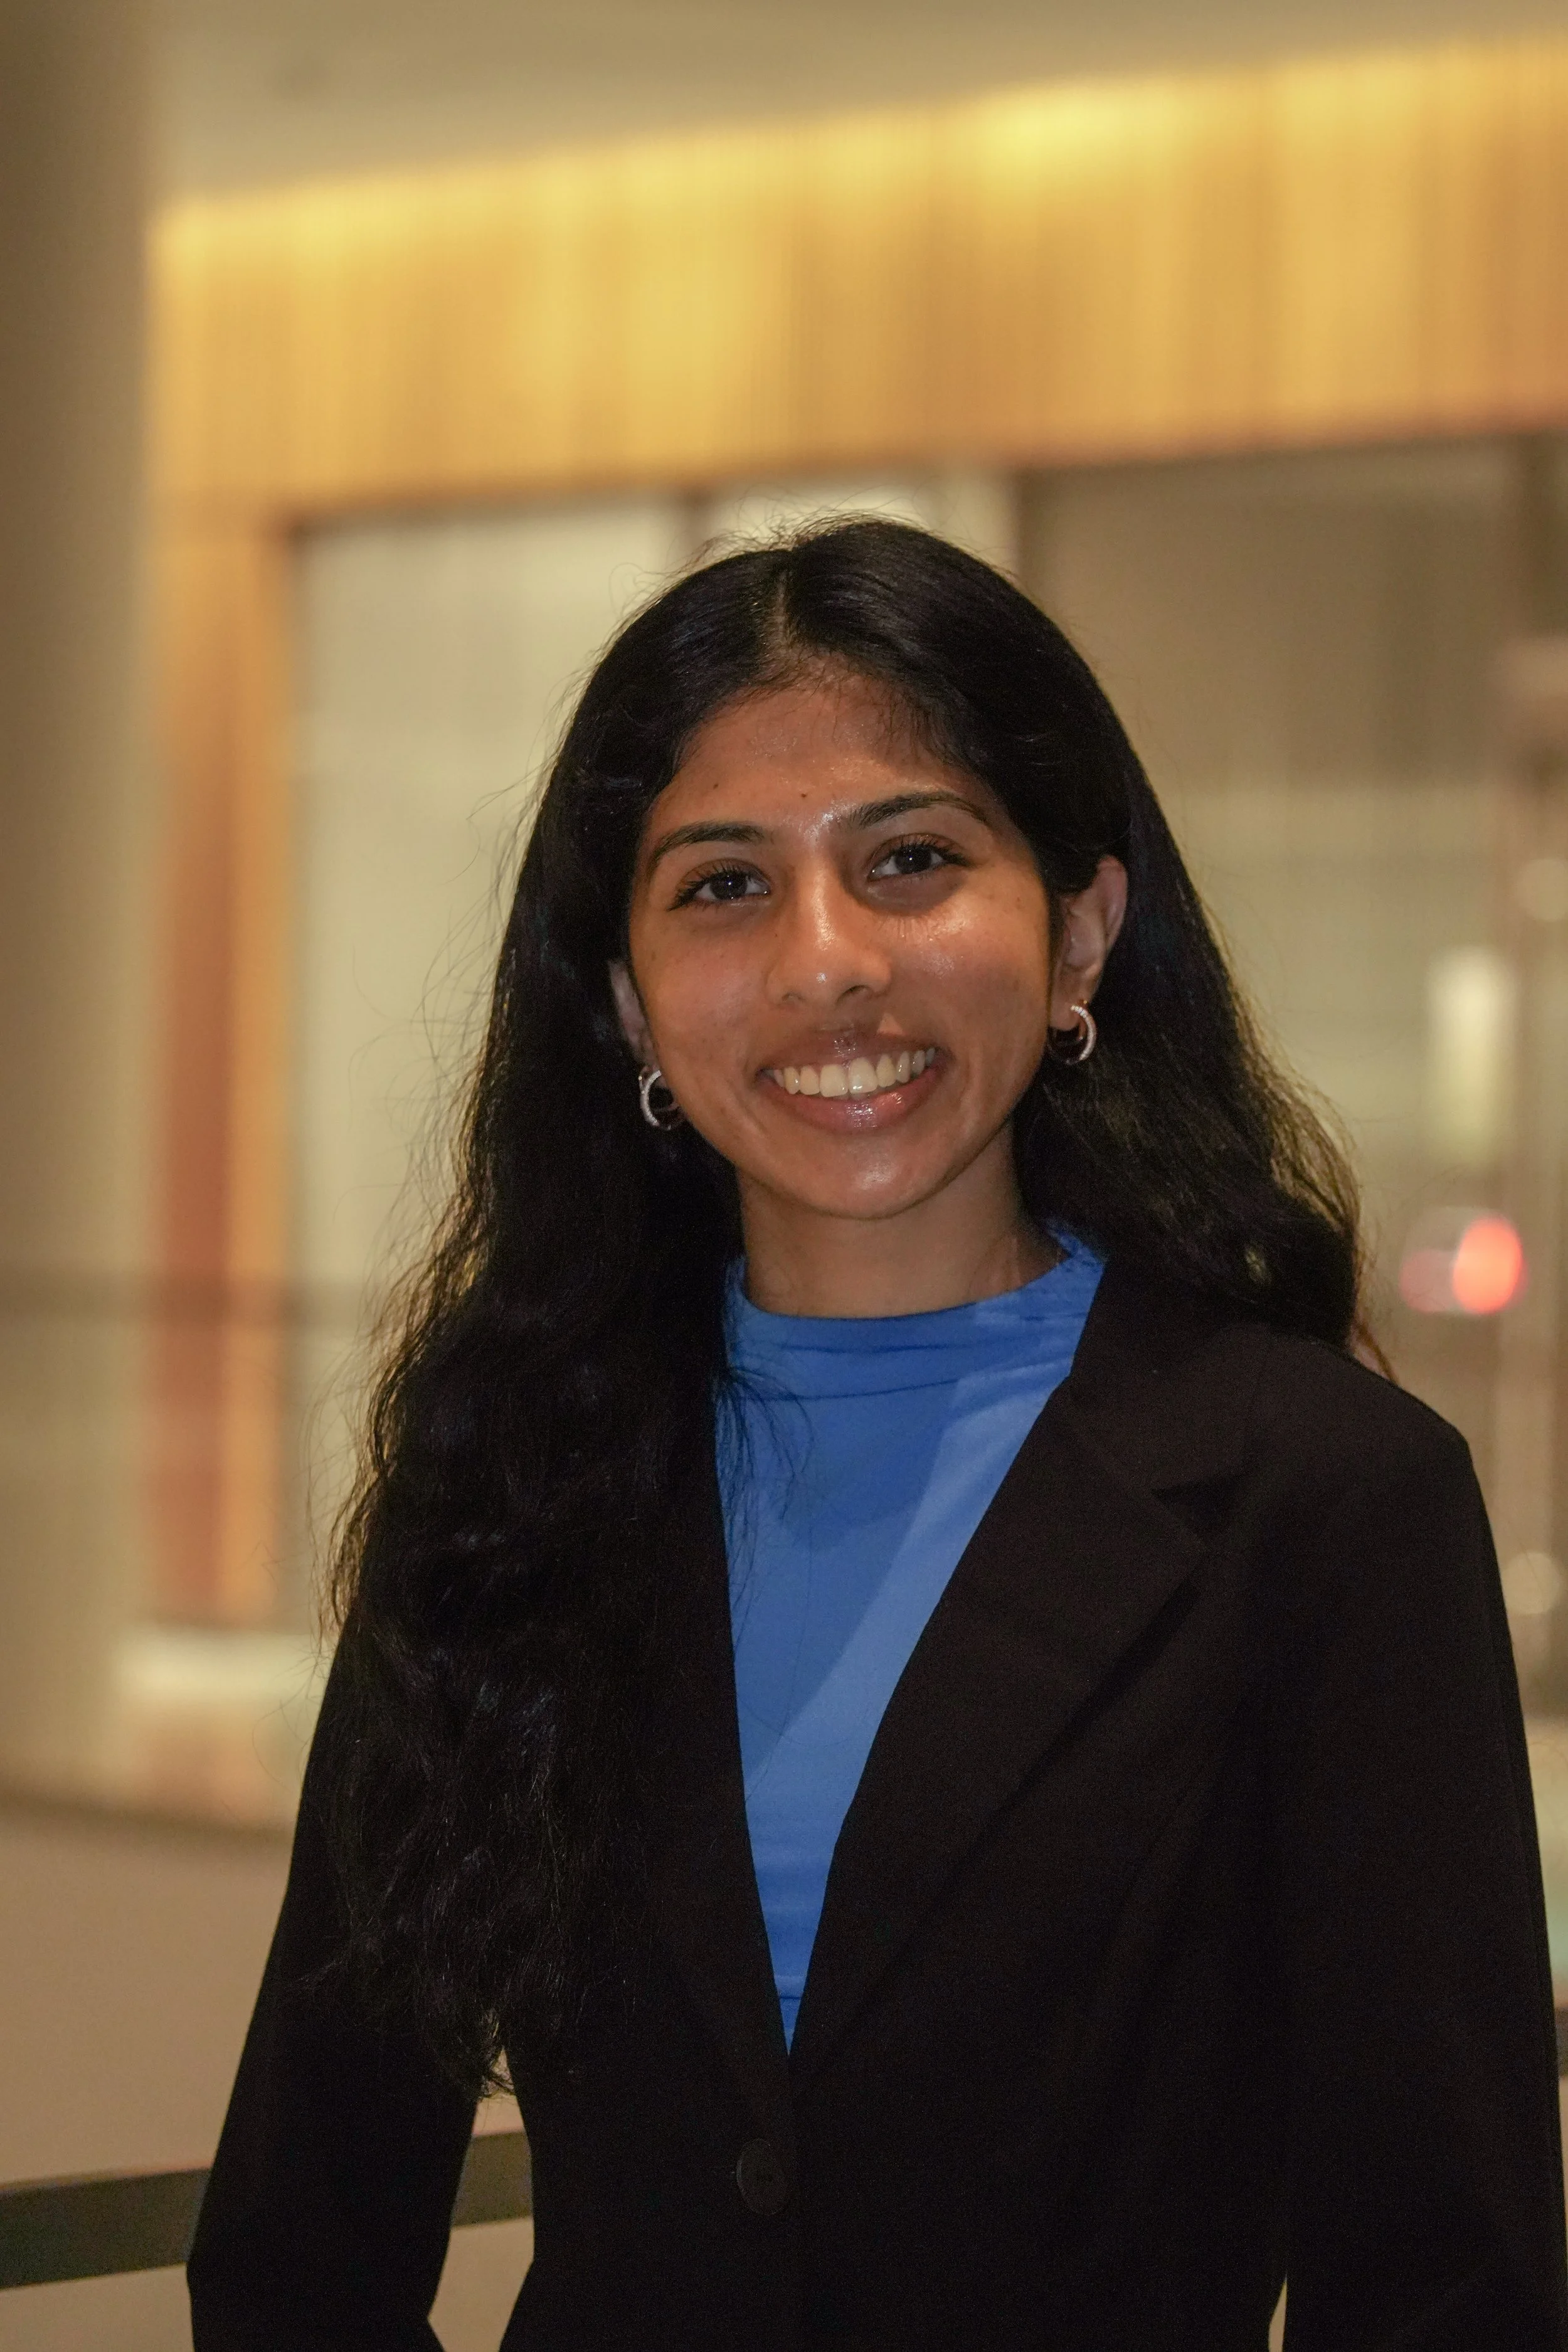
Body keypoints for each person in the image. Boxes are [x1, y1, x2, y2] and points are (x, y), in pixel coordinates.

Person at [188, 519, 1567, 2351]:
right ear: (623, 995)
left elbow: (1444, 2275)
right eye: (721, 886)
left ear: (1079, 922)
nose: (828, 964)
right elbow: (305, 2222)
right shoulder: (512, 1475)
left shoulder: (1325, 1502)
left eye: (910, 859)